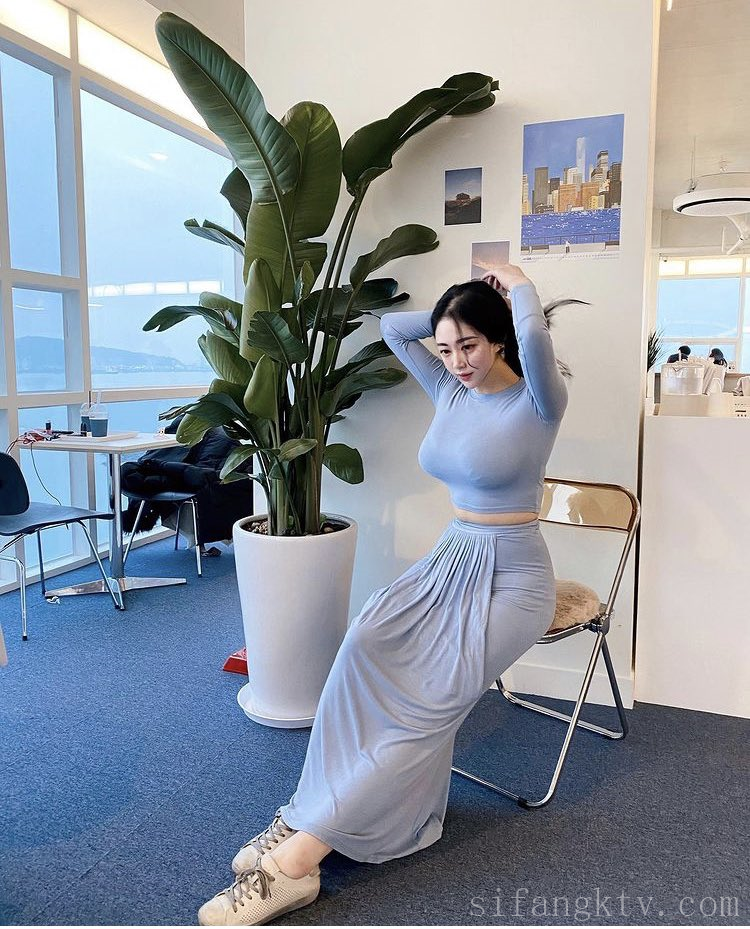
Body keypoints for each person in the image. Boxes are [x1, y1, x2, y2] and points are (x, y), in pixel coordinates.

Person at [197, 264, 570, 926]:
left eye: (470, 345)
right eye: (447, 348)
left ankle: (297, 864)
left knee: (425, 707)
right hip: (452, 556)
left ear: (501, 339)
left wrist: (514, 285)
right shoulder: (452, 389)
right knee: (362, 648)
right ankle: (308, 810)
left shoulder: (539, 401)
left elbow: (534, 335)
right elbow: (396, 329)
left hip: (512, 579)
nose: (456, 361)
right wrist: (453, 309)